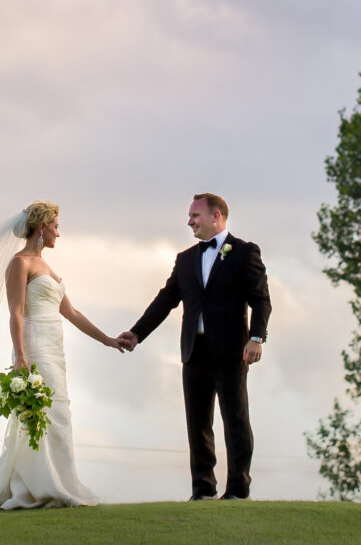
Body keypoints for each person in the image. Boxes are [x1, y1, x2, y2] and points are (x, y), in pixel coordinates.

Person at [0, 201, 121, 510]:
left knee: (59, 414)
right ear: (41, 227)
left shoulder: (48, 268)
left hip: (55, 347)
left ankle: (61, 481)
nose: (58, 234)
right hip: (34, 345)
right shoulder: (20, 264)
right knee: (40, 415)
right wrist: (20, 355)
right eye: (56, 227)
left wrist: (108, 340)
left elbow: (72, 313)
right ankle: (35, 485)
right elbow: (16, 313)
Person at [116, 193, 271, 500]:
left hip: (231, 351)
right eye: (189, 216)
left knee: (235, 420)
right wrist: (136, 333)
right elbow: (166, 299)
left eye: (195, 216)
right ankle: (202, 489)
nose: (189, 222)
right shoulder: (185, 259)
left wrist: (256, 337)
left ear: (217, 216)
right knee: (197, 424)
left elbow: (260, 299)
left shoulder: (244, 252)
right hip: (194, 352)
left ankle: (238, 490)